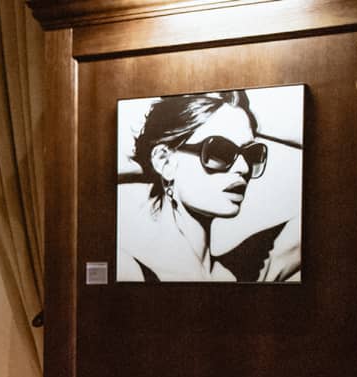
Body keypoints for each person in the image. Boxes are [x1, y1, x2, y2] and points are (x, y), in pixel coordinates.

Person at [118, 90, 299, 283]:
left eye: (251, 153)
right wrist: (151, 166)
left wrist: (240, 110)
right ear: (164, 161)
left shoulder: (246, 272)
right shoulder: (130, 270)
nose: (244, 167)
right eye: (220, 151)